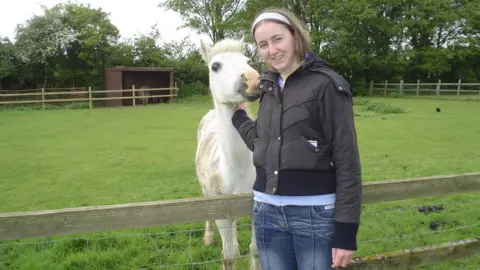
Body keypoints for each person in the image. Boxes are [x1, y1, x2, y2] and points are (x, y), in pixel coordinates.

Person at [231, 7, 362, 270]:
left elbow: (347, 160)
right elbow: (263, 145)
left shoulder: (327, 85)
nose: (271, 50)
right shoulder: (268, 87)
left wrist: (346, 232)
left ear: (295, 36)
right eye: (263, 44)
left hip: (313, 215)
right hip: (265, 212)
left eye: (278, 39)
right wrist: (239, 120)